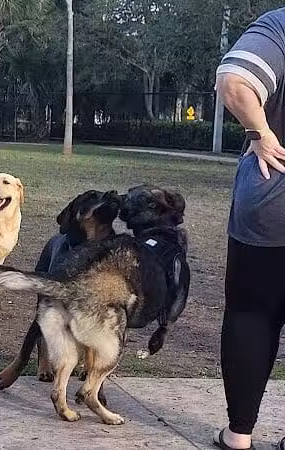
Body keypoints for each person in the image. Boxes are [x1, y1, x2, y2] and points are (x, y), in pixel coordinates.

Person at [214, 6, 285, 450]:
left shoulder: (280, 25)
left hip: (272, 202)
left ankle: (239, 436)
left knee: (251, 313)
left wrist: (260, 133)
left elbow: (235, 81)